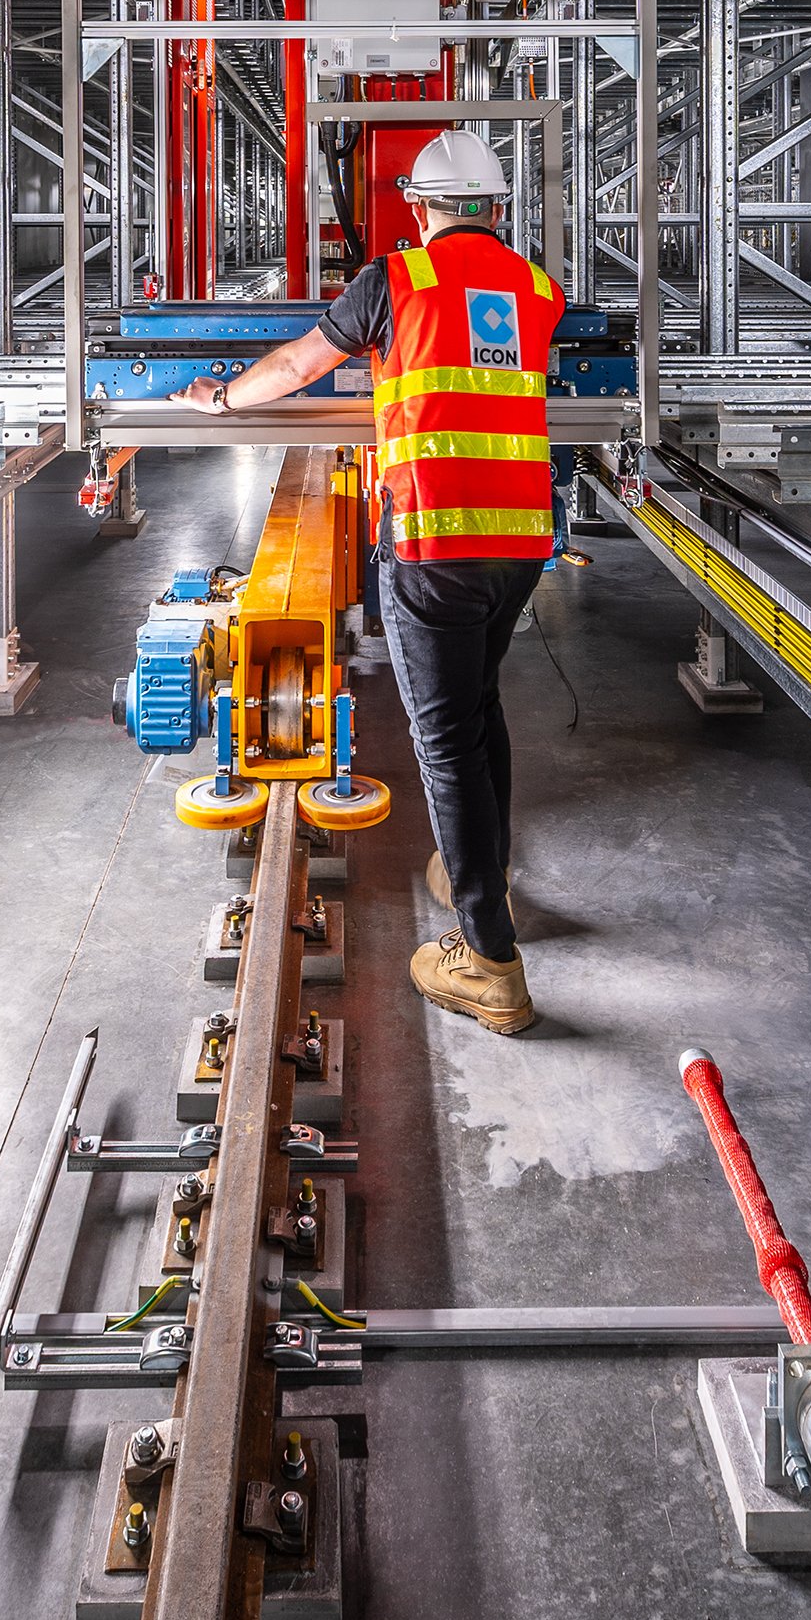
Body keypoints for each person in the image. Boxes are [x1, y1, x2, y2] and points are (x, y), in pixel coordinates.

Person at [174, 127, 565, 1036]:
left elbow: (298, 368)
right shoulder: (537, 288)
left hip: (434, 543)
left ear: (420, 210)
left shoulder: (395, 279)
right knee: (478, 710)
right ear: (498, 209)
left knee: (444, 744)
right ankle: (486, 871)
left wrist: (221, 398)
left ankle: (491, 961)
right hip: (519, 546)